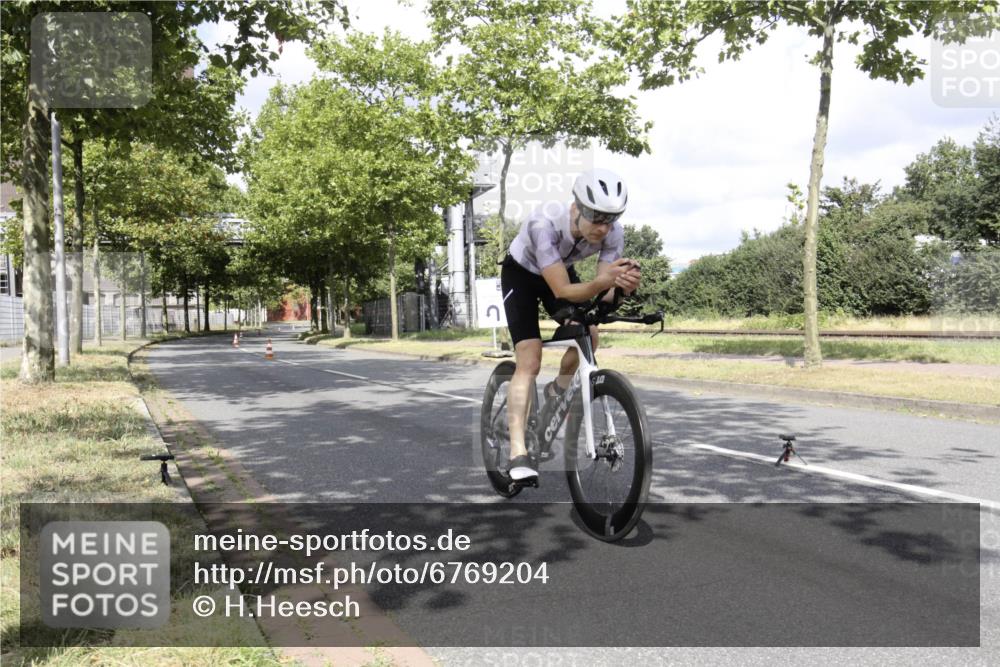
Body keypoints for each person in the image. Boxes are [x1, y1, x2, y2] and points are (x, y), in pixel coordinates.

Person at [500, 168, 641, 482]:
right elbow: (562, 291)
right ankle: (518, 452)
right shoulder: (544, 223)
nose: (603, 228)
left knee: (589, 332)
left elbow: (602, 293)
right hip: (522, 276)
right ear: (576, 207)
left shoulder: (613, 233)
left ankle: (556, 390)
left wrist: (622, 288)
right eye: (596, 217)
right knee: (530, 358)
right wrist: (602, 283)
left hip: (559, 272)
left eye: (611, 218)